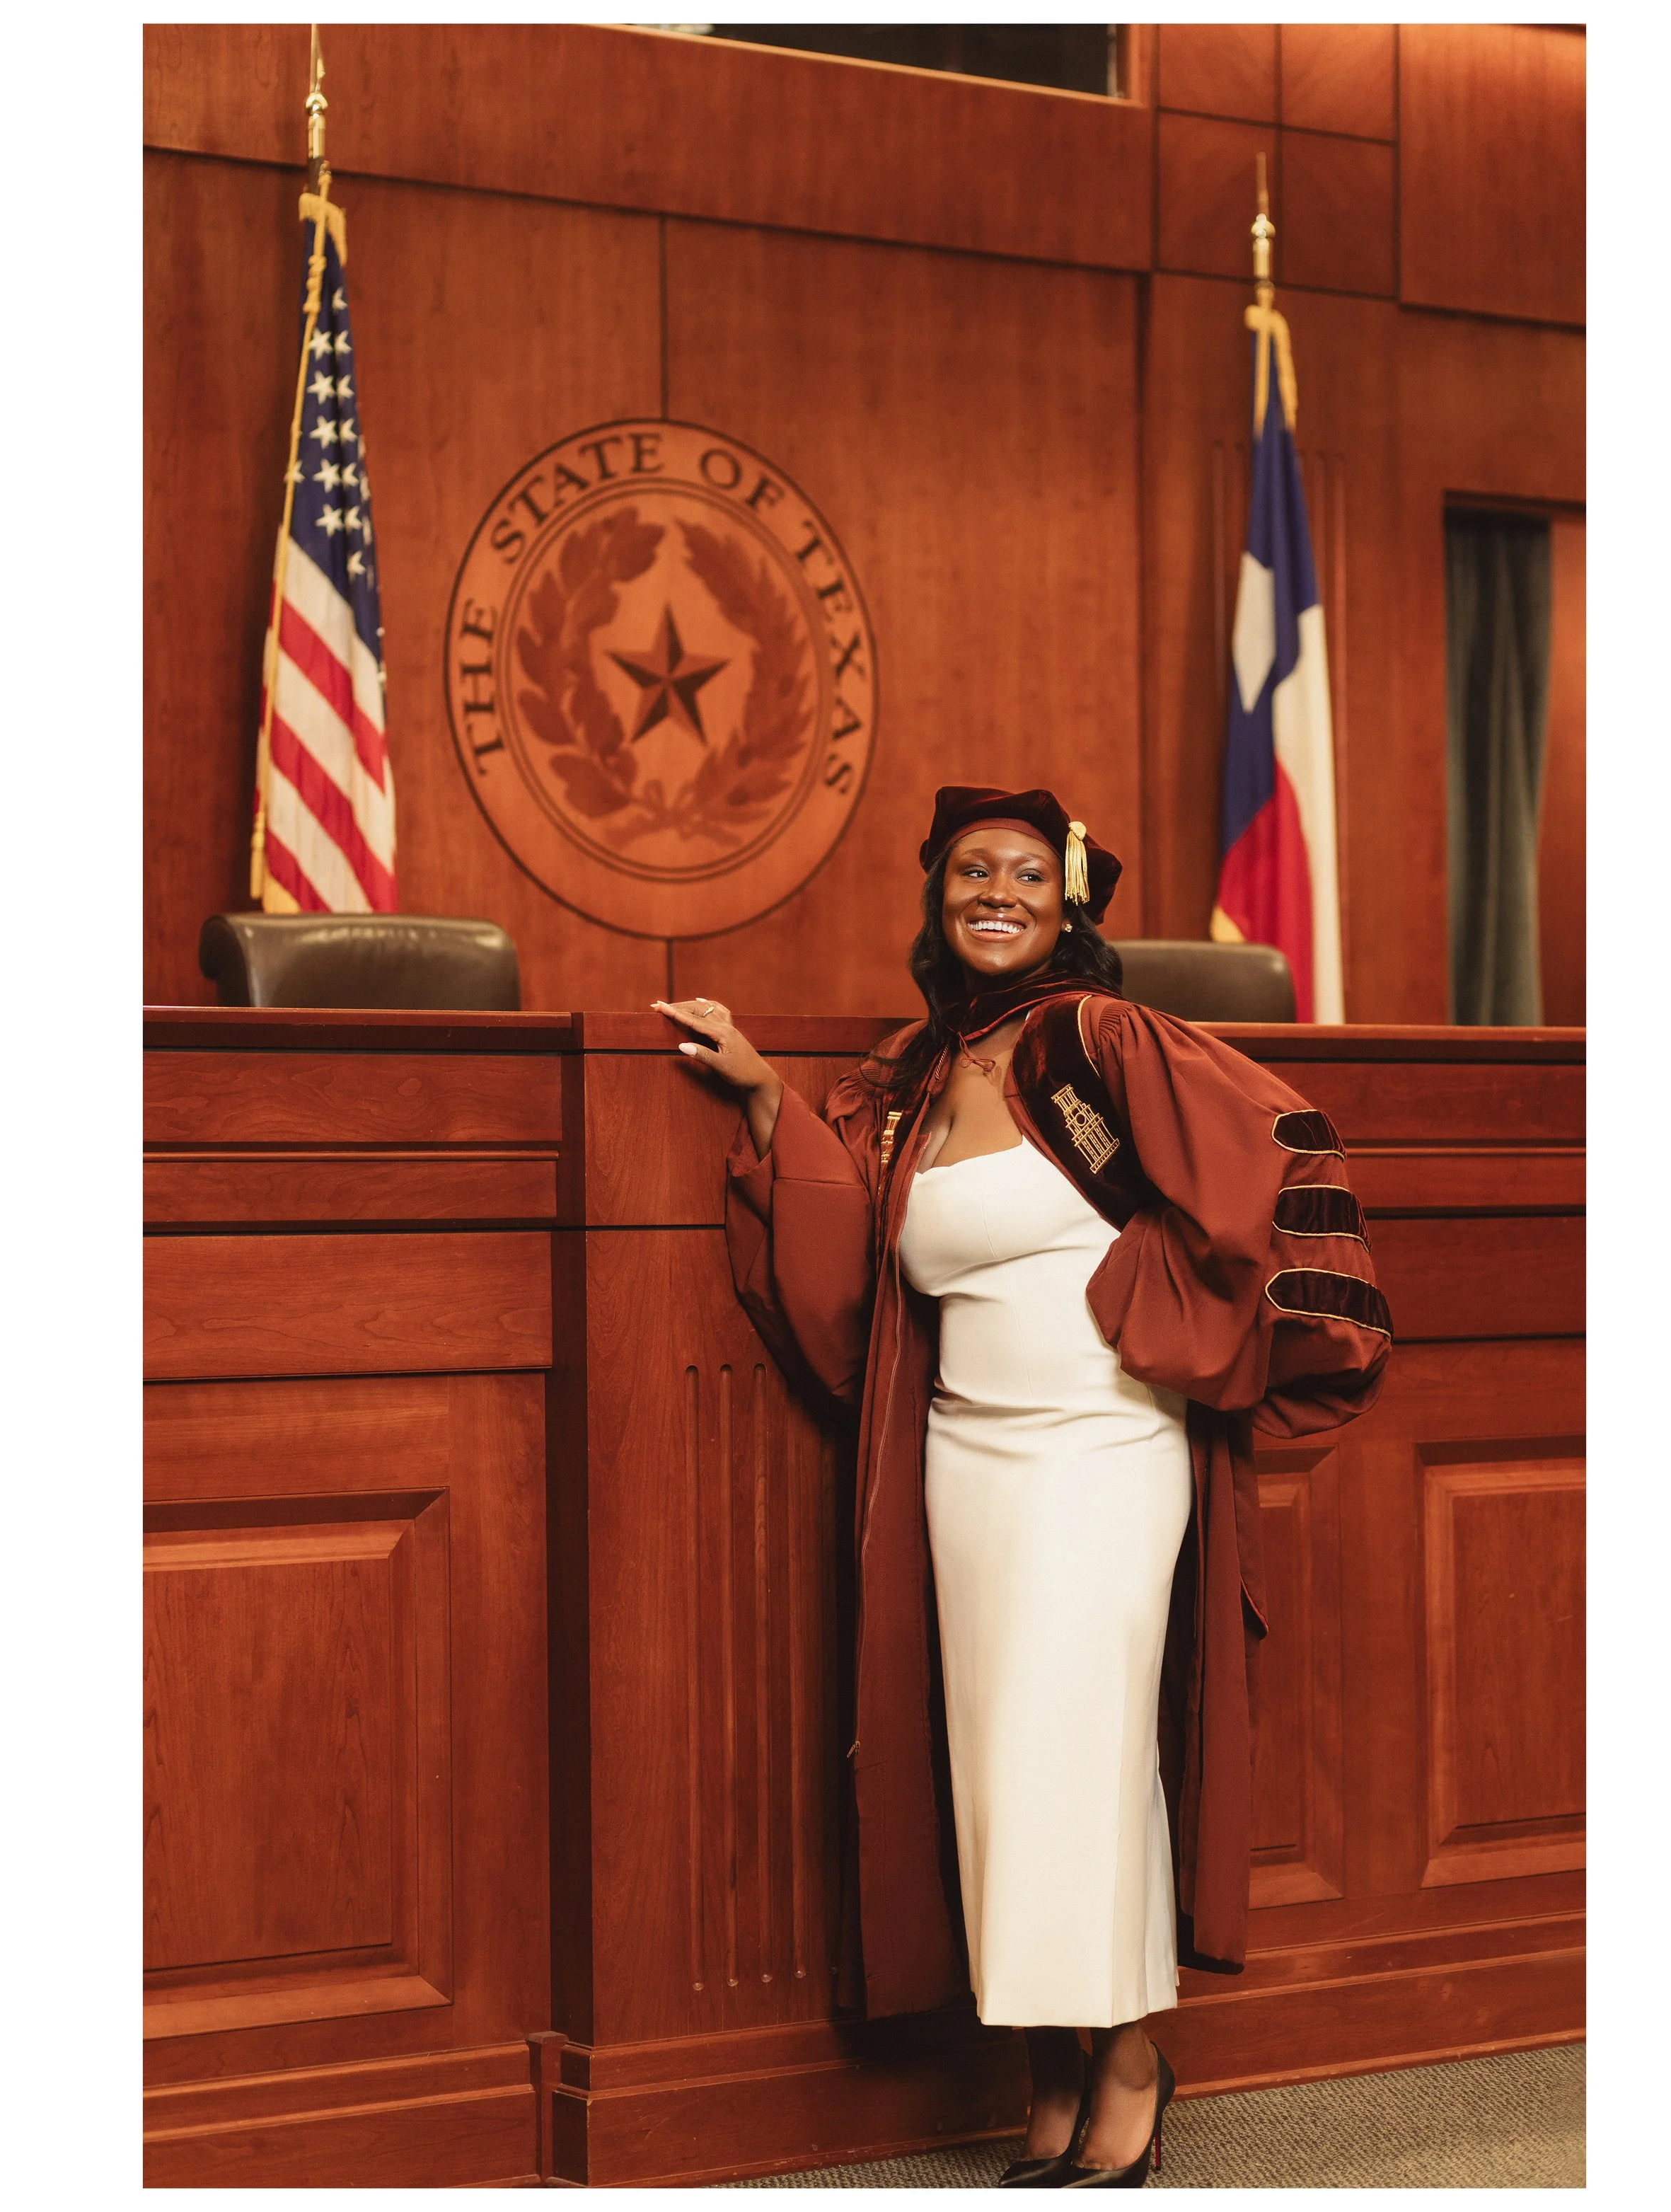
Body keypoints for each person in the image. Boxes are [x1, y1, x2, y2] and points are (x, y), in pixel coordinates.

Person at [653, 785, 1389, 2187]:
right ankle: (1046, 2070)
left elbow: (1267, 1150)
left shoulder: (1092, 1040)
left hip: (1099, 1453)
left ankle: (1123, 2062)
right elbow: (863, 1265)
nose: (995, 891)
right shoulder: (924, 1071)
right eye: (968, 873)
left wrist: (1163, 1307)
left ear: (1070, 905)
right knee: (996, 1776)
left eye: (1024, 875)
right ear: (936, 898)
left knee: (1078, 1770)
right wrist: (758, 1090)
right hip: (966, 1459)